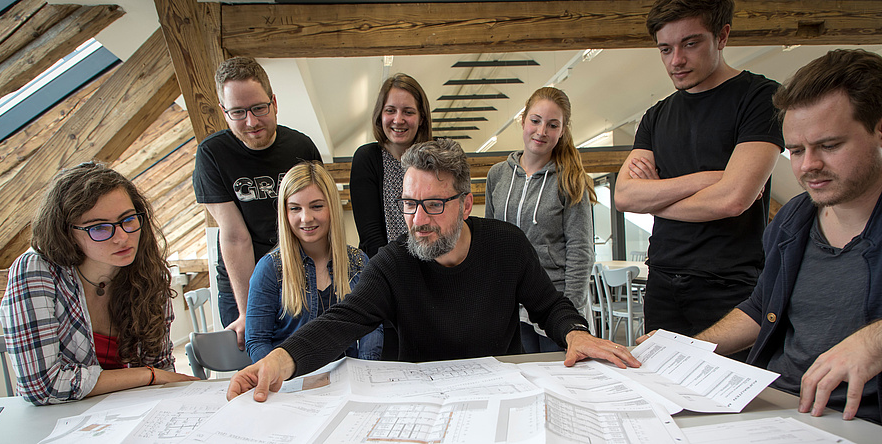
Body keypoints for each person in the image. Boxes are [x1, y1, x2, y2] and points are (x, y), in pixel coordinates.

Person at [228, 139, 641, 402]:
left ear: (465, 204)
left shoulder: (506, 245)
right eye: (409, 203)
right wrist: (280, 361)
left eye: (434, 205)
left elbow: (548, 304)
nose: (417, 220)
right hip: (424, 400)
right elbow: (342, 321)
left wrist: (576, 333)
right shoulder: (393, 264)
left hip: (500, 392)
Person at [667, 49, 882, 424]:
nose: (808, 165)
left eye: (829, 146)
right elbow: (760, 305)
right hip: (778, 405)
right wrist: (691, 348)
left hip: (857, 420)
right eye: (796, 151)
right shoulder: (793, 220)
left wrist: (873, 341)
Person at [613, 0, 784, 347]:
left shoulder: (760, 98)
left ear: (721, 36)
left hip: (728, 286)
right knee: (662, 392)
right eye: (665, 49)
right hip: (661, 279)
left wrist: (656, 197)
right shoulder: (656, 116)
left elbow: (734, 199)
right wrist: (707, 179)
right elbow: (625, 196)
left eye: (690, 44)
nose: (676, 60)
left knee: (725, 397)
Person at [0, 162, 196, 405]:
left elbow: (161, 367)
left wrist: (157, 377)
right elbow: (41, 387)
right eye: (100, 228)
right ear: (66, 232)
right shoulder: (36, 271)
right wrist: (148, 376)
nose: (122, 237)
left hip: (133, 413)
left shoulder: (149, 273)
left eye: (128, 219)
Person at [193, 56, 323, 349]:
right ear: (223, 112)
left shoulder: (301, 147)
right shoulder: (212, 154)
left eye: (259, 108)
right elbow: (235, 236)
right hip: (243, 281)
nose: (251, 122)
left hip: (297, 274)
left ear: (274, 102)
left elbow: (317, 217)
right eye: (238, 112)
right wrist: (248, 312)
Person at [485, 87, 596, 352]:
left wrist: (570, 315)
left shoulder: (570, 179)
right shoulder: (497, 176)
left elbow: (581, 251)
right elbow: (488, 243)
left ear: (562, 130)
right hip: (512, 304)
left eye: (552, 125)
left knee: (559, 383)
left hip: (554, 303)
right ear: (523, 120)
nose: (541, 131)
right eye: (535, 120)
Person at [245, 162, 383, 362]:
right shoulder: (270, 269)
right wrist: (279, 378)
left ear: (332, 207)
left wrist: (365, 371)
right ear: (285, 213)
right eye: (295, 208)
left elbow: (372, 326)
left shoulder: (359, 262)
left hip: (348, 380)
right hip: (292, 384)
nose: (306, 218)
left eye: (316, 206)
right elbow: (257, 341)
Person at [349, 73, 432, 360]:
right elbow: (372, 238)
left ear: (421, 117)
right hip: (386, 281)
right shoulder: (367, 159)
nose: (398, 119)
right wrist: (403, 288)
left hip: (433, 281)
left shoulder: (434, 160)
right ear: (379, 115)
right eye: (390, 110)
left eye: (408, 111)